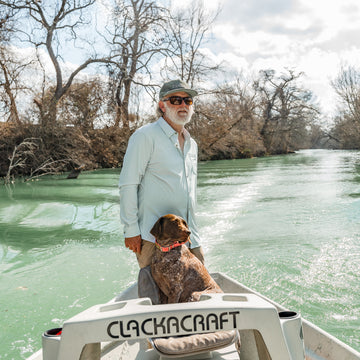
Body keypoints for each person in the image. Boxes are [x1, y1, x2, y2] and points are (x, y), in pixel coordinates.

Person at [118, 79, 204, 268]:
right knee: (155, 294)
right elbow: (128, 184)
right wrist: (131, 230)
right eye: (175, 100)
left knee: (201, 290)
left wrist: (194, 236)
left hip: (189, 236)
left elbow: (190, 193)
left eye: (187, 100)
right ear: (162, 106)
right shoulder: (145, 136)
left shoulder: (192, 144)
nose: (183, 105)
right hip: (155, 238)